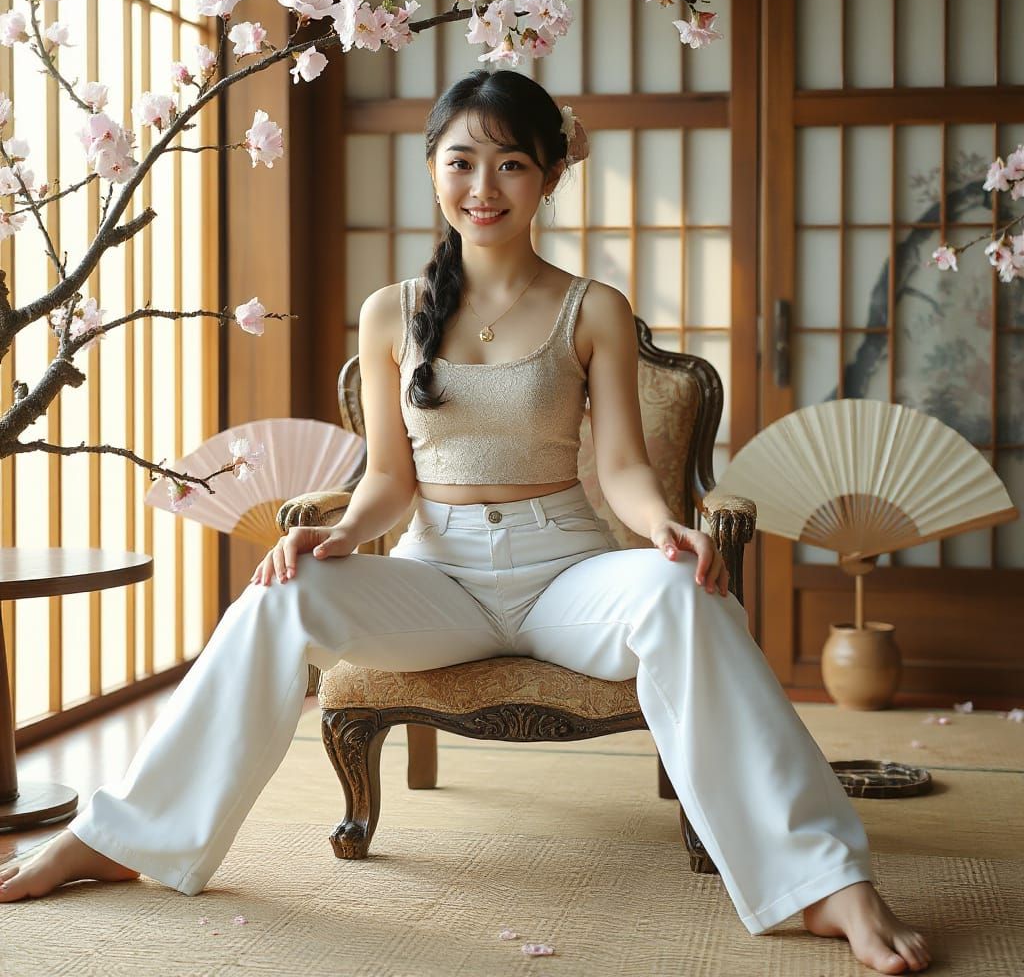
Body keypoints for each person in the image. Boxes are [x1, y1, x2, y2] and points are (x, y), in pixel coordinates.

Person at [0, 68, 929, 974]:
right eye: (461, 162)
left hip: (568, 573)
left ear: (550, 176)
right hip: (436, 578)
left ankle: (822, 881)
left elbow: (621, 468)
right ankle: (125, 836)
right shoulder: (391, 313)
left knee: (690, 595)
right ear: (432, 169)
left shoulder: (592, 308)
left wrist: (662, 528)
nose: (484, 187)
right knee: (280, 594)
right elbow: (388, 480)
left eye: (511, 164)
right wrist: (338, 535)